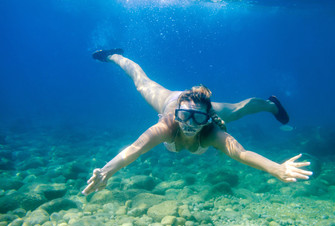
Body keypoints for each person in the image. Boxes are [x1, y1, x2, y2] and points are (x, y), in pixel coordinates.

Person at [82, 48, 312, 195]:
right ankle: (114, 55)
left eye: (198, 119)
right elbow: (134, 149)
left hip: (199, 106)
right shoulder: (166, 126)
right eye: (184, 117)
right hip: (170, 100)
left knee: (240, 109)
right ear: (177, 115)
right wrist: (105, 172)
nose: (190, 123)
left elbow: (241, 153)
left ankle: (272, 105)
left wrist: (277, 169)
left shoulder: (210, 131)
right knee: (141, 82)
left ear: (207, 119)